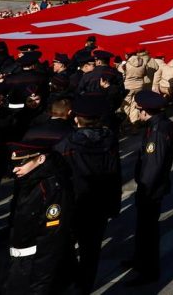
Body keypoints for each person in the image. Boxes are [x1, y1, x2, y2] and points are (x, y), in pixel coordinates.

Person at [54, 95, 121, 293]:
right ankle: (85, 285)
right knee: (91, 250)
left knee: (65, 244)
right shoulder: (110, 139)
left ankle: (73, 276)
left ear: (76, 118)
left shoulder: (66, 144)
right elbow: (115, 174)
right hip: (100, 202)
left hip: (75, 202)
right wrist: (114, 204)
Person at [0, 135, 75, 294]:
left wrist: (39, 286)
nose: (15, 169)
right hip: (21, 263)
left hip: (35, 266)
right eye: (13, 164)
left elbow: (51, 240)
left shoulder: (51, 189)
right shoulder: (28, 180)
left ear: (40, 159)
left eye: (21, 163)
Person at [126, 90, 173, 286]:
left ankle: (148, 270)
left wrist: (144, 190)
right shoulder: (159, 124)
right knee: (143, 228)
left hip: (150, 189)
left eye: (138, 109)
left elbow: (153, 166)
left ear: (144, 110)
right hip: (152, 187)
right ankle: (139, 260)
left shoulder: (157, 131)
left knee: (148, 231)